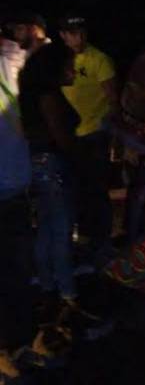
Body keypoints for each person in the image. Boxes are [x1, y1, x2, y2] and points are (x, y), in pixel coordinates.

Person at [18, 43, 79, 304]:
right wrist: (76, 156)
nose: (73, 72)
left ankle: (46, 284)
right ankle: (67, 290)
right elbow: (60, 135)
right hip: (53, 164)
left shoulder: (31, 95)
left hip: (37, 164)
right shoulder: (48, 96)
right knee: (62, 229)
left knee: (46, 226)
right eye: (69, 67)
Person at [58, 15, 116, 266]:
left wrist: (110, 130)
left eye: (81, 32)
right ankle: (82, 240)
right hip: (68, 136)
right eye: (72, 33)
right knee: (75, 190)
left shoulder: (99, 59)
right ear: (63, 35)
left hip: (94, 134)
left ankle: (102, 243)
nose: (78, 37)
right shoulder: (60, 60)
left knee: (97, 190)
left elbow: (113, 99)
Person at [0, 32, 33, 380]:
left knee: (17, 274)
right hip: (11, 185)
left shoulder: (12, 61)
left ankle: (19, 344)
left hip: (13, 188)